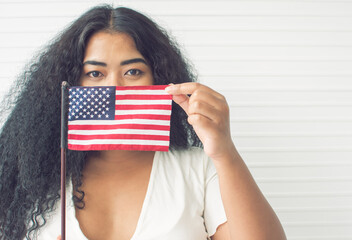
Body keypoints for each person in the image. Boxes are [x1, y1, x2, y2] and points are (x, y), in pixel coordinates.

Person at [0, 5, 286, 240]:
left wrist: (224, 151)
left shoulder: (199, 168)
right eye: (95, 74)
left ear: (160, 80)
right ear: (70, 85)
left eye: (133, 71)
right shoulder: (31, 174)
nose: (115, 89)